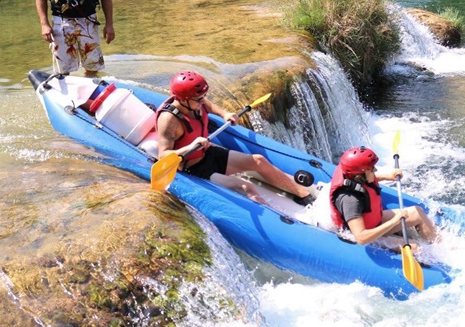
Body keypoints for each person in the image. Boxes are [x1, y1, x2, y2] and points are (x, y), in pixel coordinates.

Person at [156, 71, 316, 206]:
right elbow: (162, 155)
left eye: (203, 96)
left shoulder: (195, 101)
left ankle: (303, 195)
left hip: (207, 154)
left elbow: (208, 105)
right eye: (199, 99)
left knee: (258, 160)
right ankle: (282, 217)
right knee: (247, 188)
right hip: (193, 169)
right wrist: (191, 146)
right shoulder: (169, 121)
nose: (202, 101)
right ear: (183, 99)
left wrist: (225, 114)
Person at [329, 146, 438, 245]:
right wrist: (393, 221)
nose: (375, 170)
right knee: (415, 247)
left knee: (417, 212)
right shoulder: (350, 201)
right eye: (372, 169)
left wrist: (387, 176)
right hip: (366, 235)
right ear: (359, 174)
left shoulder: (354, 174)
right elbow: (361, 238)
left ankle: (440, 244)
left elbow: (367, 178)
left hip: (375, 221)